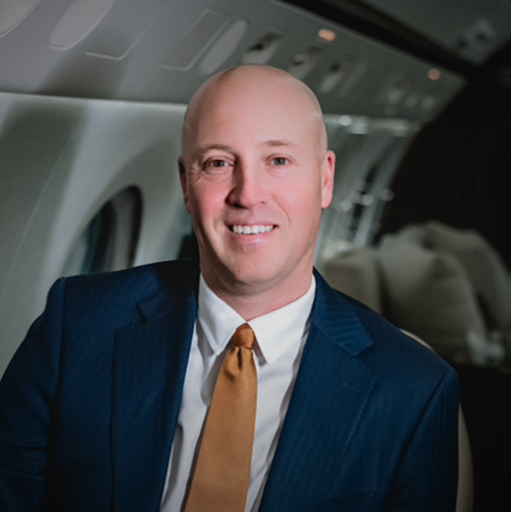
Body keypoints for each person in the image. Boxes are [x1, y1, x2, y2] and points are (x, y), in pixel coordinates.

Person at [0, 65, 459, 511]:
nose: (247, 194)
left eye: (278, 161)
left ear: (325, 179)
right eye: (218, 163)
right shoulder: (76, 325)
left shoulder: (414, 389)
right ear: (186, 183)